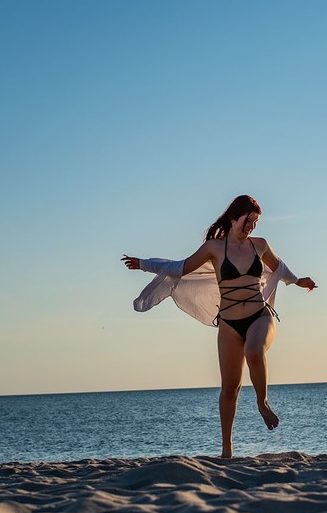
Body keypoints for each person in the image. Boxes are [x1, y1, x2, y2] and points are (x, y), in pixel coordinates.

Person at [122, 195, 316, 459]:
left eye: (256, 222)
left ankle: (262, 402)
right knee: (230, 388)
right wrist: (144, 264)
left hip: (260, 316)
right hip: (228, 324)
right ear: (234, 217)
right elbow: (179, 267)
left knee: (255, 351)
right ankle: (227, 449)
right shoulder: (214, 248)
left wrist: (299, 281)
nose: (251, 227)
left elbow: (279, 268)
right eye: (248, 220)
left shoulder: (260, 246)